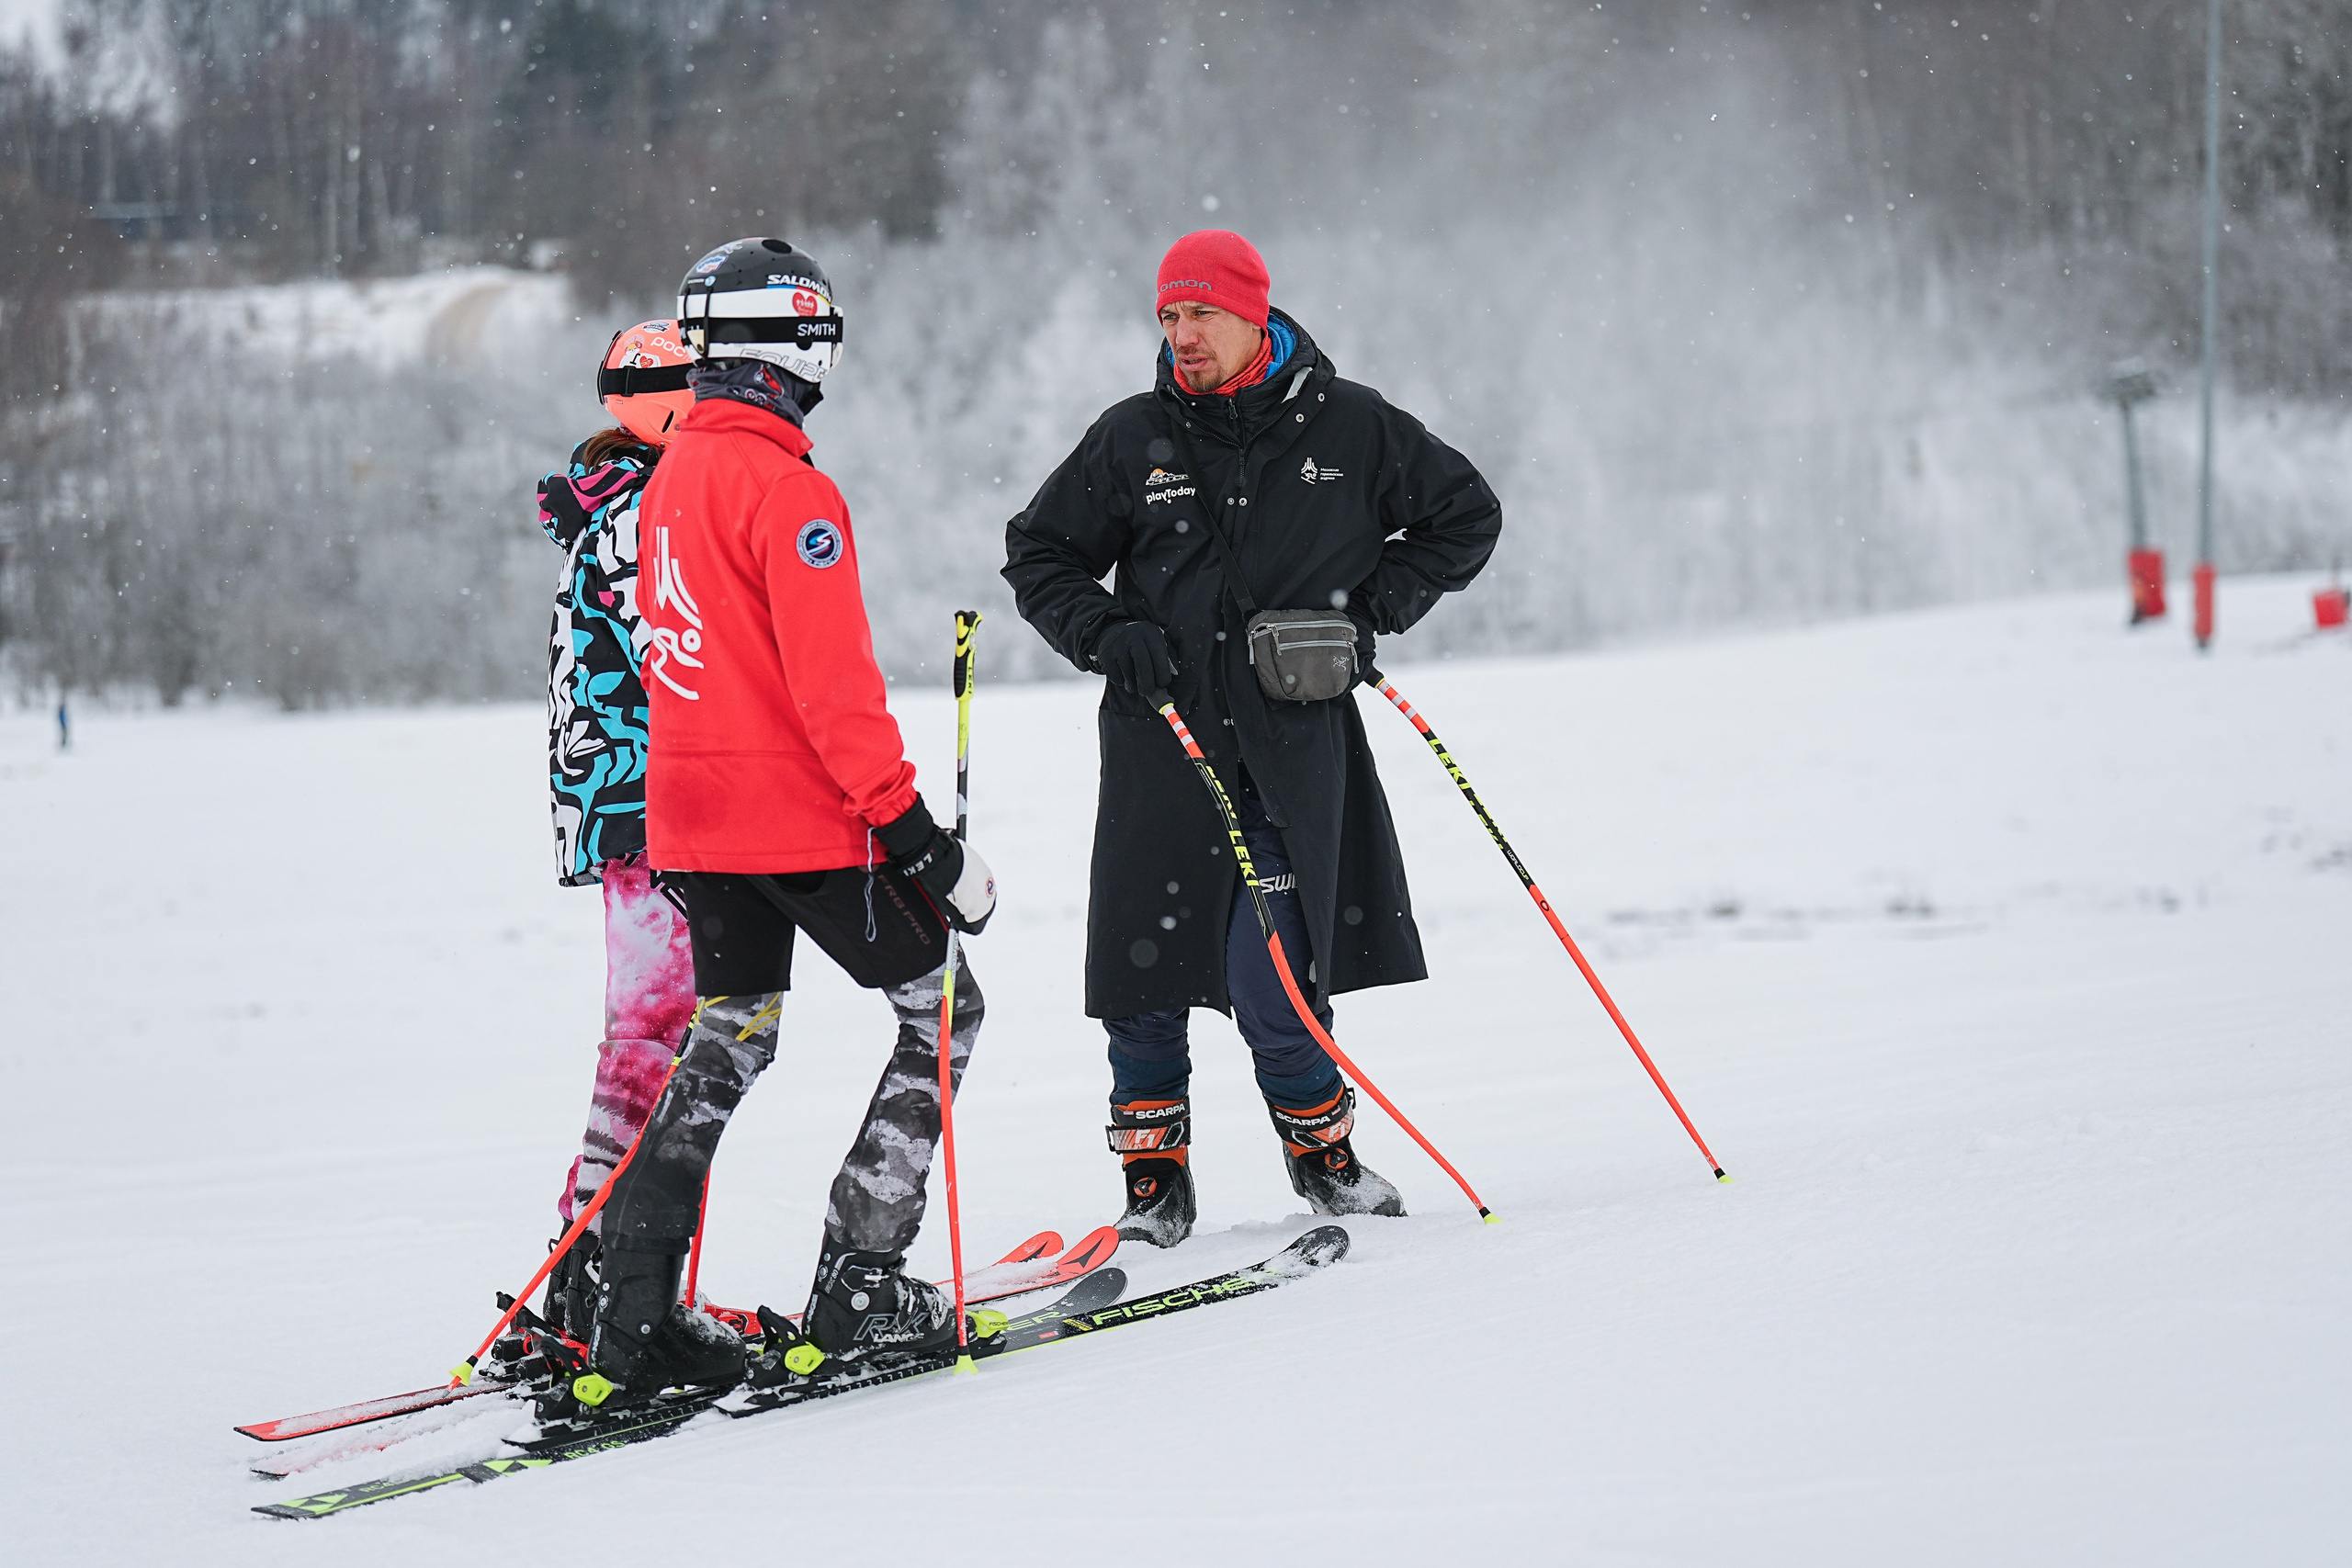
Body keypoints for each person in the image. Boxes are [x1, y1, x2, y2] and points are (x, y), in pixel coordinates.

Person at [551, 237, 998, 1416]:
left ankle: (629, 1313)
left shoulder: (669, 481)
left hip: (693, 822)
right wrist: (925, 847)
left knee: (731, 1035)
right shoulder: (789, 488)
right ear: (794, 346)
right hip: (801, 823)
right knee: (945, 1009)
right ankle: (862, 1279)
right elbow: (833, 698)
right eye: (820, 339)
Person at [1003, 230, 1501, 1247]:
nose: (1182, 336)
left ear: (1254, 316)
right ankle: (1154, 1187)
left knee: (1272, 977)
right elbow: (1038, 556)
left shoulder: (1350, 425)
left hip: (1292, 752)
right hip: (1162, 747)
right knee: (1142, 981)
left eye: (1203, 316)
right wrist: (1106, 632)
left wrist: (1368, 617)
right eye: (1169, 318)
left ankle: (1324, 1163)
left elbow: (1465, 517)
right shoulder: (1131, 437)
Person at [529, 320, 699, 1339]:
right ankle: (607, 1277)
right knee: (664, 1039)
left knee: (653, 1037)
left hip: (618, 800)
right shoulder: (641, 510)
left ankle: (594, 1269)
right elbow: (673, 657)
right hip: (656, 804)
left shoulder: (608, 501)